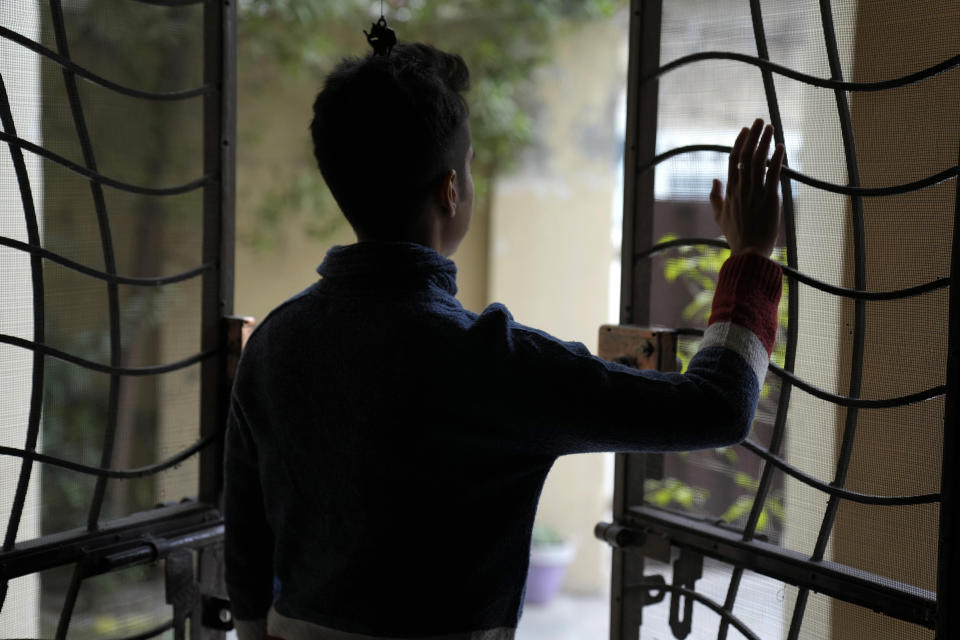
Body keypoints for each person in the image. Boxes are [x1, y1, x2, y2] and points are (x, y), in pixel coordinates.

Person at [224, 42, 784, 640]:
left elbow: (246, 542)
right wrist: (749, 260)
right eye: (467, 166)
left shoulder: (274, 344)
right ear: (450, 190)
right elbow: (718, 408)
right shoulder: (493, 364)